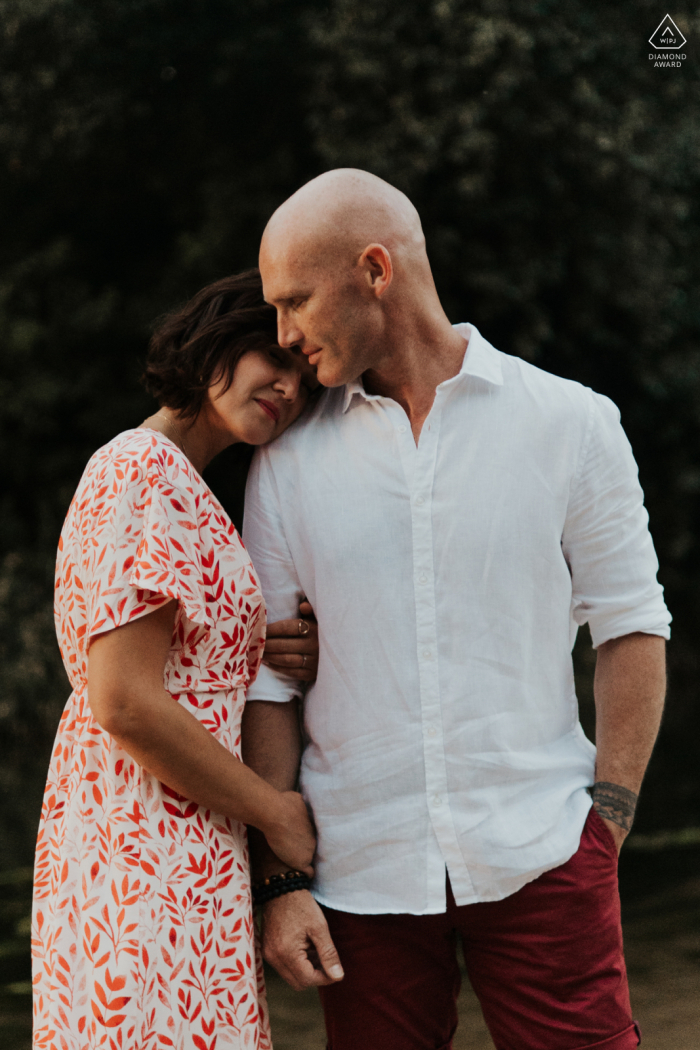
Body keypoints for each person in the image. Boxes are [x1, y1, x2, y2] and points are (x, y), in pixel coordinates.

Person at [241, 169, 671, 1050]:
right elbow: (269, 685)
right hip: (358, 877)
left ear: (373, 270)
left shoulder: (572, 423)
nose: (283, 335)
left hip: (545, 851)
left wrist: (608, 822)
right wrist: (283, 885)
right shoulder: (285, 464)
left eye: (295, 300)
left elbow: (633, 626)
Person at [32, 270, 322, 1050]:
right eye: (273, 357)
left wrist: (266, 639)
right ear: (217, 342)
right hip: (141, 837)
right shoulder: (141, 469)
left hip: (183, 837)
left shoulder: (181, 483)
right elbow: (123, 699)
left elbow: (186, 663)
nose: (289, 387)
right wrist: (277, 813)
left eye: (304, 378)